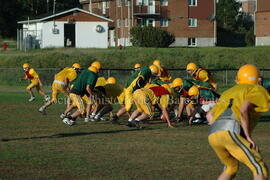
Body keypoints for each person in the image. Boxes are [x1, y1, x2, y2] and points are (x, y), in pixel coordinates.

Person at [207, 64, 269, 180]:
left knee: (231, 167)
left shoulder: (228, 92)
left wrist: (221, 131)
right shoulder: (256, 89)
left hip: (213, 133)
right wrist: (247, 136)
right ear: (258, 79)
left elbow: (209, 115)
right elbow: (243, 110)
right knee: (258, 167)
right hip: (231, 129)